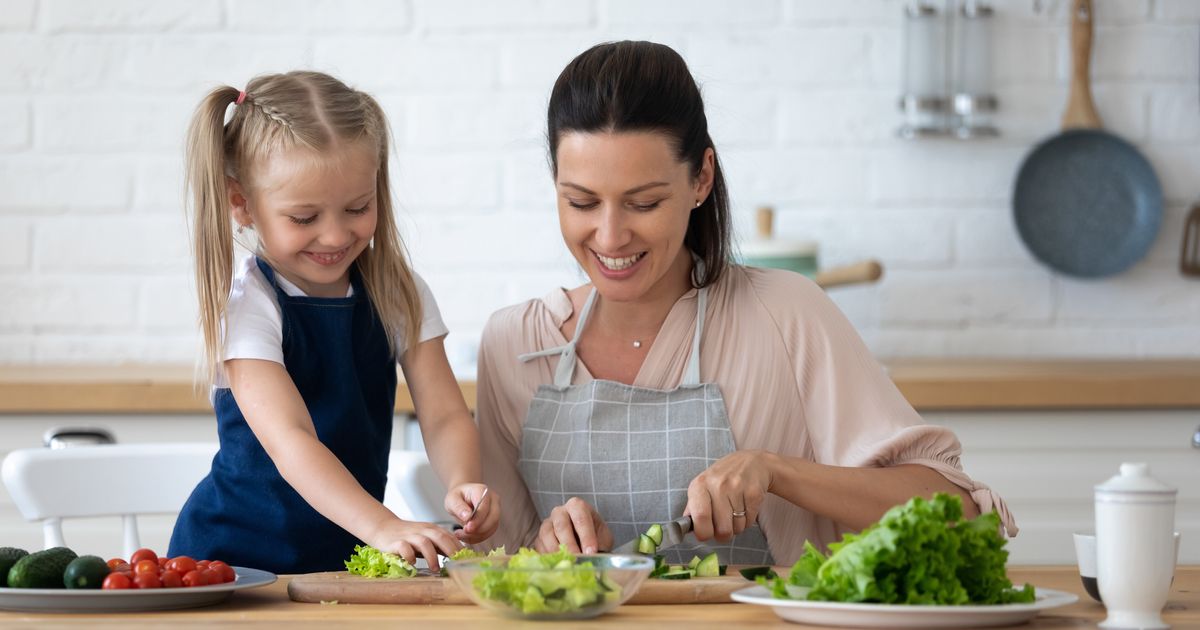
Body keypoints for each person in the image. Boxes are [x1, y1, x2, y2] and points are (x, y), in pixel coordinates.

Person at [474, 42, 1015, 566]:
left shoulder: (785, 315)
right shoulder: (516, 344)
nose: (611, 236)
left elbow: (959, 516)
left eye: (645, 202)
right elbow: (490, 560)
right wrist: (546, 553)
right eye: (582, 201)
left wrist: (777, 472)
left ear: (701, 178)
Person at [169, 71, 498, 574]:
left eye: (357, 207)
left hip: (341, 559)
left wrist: (461, 483)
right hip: (233, 565)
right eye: (304, 218)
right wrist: (384, 527)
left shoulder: (397, 291)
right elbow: (292, 440)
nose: (335, 234)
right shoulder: (248, 304)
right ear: (241, 204)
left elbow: (445, 416)